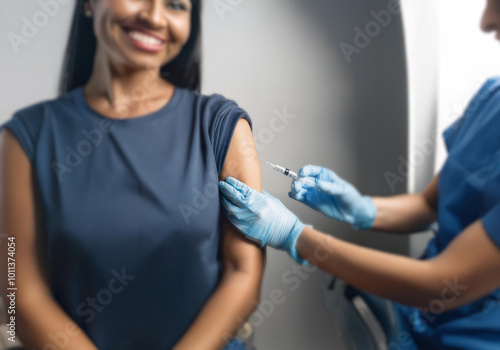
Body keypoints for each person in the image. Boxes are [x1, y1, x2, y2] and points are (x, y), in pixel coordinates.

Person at [218, 2, 500, 349]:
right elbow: (429, 204)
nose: (487, 21)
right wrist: (362, 208)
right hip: (415, 323)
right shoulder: (492, 99)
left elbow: (443, 284)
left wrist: (294, 236)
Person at [0, 1, 265, 349]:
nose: (154, 17)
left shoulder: (223, 127)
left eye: (176, 5)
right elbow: (18, 294)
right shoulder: (25, 138)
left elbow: (243, 272)